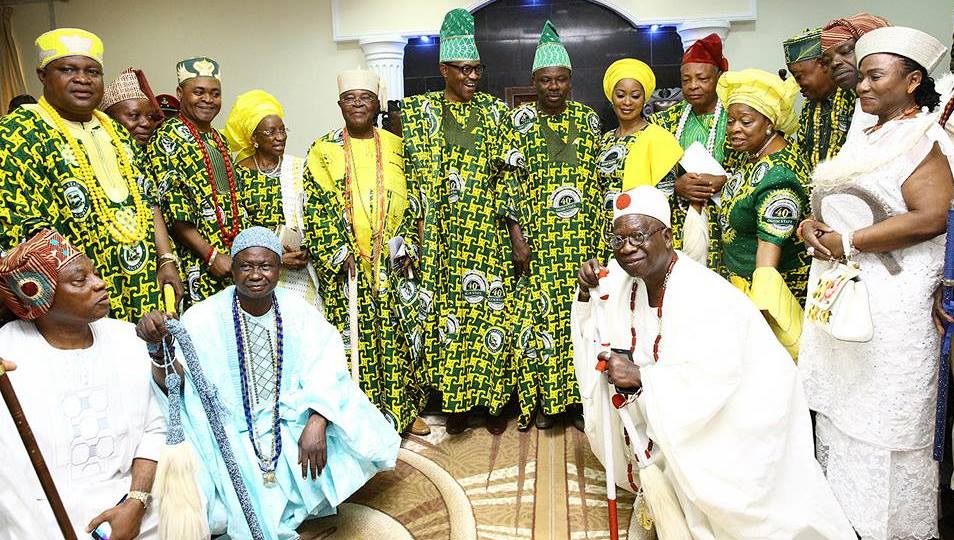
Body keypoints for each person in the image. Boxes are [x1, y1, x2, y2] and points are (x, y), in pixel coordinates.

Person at [572, 186, 855, 539]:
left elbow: (713, 379)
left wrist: (642, 376)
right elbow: (595, 317)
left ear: (668, 237)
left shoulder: (704, 294)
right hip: (674, 419)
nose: (627, 248)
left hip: (736, 421)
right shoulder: (624, 277)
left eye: (638, 236)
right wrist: (586, 290)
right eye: (618, 238)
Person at [136, 227, 400, 539]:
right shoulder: (202, 317)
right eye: (246, 266)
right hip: (232, 431)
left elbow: (329, 367)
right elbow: (177, 386)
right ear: (233, 269)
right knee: (230, 513)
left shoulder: (297, 310)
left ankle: (296, 502)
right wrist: (159, 349)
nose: (256, 275)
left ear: (278, 269)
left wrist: (317, 420)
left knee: (351, 412)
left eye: (265, 266)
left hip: (285, 420)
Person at [798, 27, 951, 540]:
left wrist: (849, 241)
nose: (861, 86)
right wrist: (812, 227)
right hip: (843, 293)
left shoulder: (925, 138)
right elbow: (838, 201)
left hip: (891, 306)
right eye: (861, 76)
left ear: (911, 81)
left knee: (883, 425)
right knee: (843, 418)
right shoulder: (864, 133)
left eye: (874, 76)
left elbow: (931, 217)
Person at [399, 8, 521, 434]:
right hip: (441, 237)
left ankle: (492, 403)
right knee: (449, 318)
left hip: (485, 232)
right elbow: (410, 178)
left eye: (476, 69)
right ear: (443, 69)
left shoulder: (494, 112)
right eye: (463, 69)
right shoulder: (420, 113)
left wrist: (513, 234)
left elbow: (509, 174)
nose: (472, 77)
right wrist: (416, 231)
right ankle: (456, 404)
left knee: (489, 312)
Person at [0, 229, 166, 540]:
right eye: (80, 280)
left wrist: (136, 503)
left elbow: (155, 430)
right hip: (38, 525)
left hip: (136, 518)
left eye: (94, 272)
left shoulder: (127, 339)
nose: (99, 283)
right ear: (40, 295)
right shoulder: (6, 353)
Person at [0, 28, 161, 322]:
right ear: (42, 76)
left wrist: (166, 261)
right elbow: (18, 227)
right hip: (71, 299)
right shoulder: (18, 133)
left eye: (92, 71)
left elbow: (149, 200)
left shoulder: (118, 134)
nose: (83, 79)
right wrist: (79, 282)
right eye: (67, 69)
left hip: (144, 286)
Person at [301, 70, 429, 436]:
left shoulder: (396, 145)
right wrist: (339, 252)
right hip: (348, 266)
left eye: (365, 98)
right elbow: (316, 206)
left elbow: (415, 199)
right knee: (355, 341)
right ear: (340, 104)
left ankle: (405, 413)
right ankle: (362, 416)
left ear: (376, 105)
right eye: (350, 98)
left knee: (399, 339)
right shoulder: (322, 149)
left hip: (391, 261)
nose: (358, 104)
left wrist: (407, 243)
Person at [503, 21, 601, 430]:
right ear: (534, 82)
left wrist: (599, 242)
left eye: (561, 79)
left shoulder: (589, 119)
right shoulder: (518, 122)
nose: (554, 86)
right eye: (546, 80)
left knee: (582, 321)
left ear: (571, 81)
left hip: (580, 240)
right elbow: (509, 183)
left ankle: (581, 405)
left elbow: (598, 182)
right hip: (539, 241)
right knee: (541, 324)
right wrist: (518, 239)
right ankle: (546, 403)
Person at [716, 68, 810, 359]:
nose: (734, 129)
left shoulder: (779, 175)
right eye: (731, 121)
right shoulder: (753, 157)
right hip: (744, 290)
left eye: (746, 121)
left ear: (770, 124)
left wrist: (758, 321)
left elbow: (768, 264)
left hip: (771, 300)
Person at [149, 57, 246, 305]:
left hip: (231, 261)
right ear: (180, 93)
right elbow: (174, 212)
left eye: (215, 93)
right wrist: (211, 255)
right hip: (198, 264)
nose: (208, 100)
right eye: (199, 92)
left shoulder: (219, 139)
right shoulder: (167, 138)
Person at [224, 89, 321, 309]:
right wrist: (276, 259)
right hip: (257, 273)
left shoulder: (300, 167)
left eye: (282, 129)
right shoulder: (238, 174)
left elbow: (316, 214)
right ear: (253, 138)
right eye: (270, 132)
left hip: (303, 269)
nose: (280, 136)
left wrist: (308, 247)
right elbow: (238, 227)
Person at [102, 67, 185, 307]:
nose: (145, 123)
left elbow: (152, 205)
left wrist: (166, 260)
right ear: (108, 117)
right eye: (133, 116)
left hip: (154, 268)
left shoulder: (143, 156)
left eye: (149, 117)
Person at [649, 33, 733, 268]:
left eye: (702, 78)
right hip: (678, 221)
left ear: (718, 77)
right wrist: (676, 186)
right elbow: (651, 176)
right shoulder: (664, 122)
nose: (693, 86)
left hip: (728, 223)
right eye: (686, 80)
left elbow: (756, 164)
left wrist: (724, 181)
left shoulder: (737, 117)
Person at [596, 59, 683, 251]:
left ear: (644, 99)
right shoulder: (604, 140)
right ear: (612, 97)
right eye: (620, 95)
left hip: (641, 239)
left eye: (635, 96)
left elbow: (664, 199)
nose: (627, 102)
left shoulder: (658, 139)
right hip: (607, 236)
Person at [784, 28, 852, 170]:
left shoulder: (854, 98)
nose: (798, 85)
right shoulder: (809, 108)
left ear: (823, 64)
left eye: (799, 76)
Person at [820, 13, 891, 138]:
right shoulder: (858, 104)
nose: (834, 63)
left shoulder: (923, 111)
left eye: (845, 51)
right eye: (826, 61)